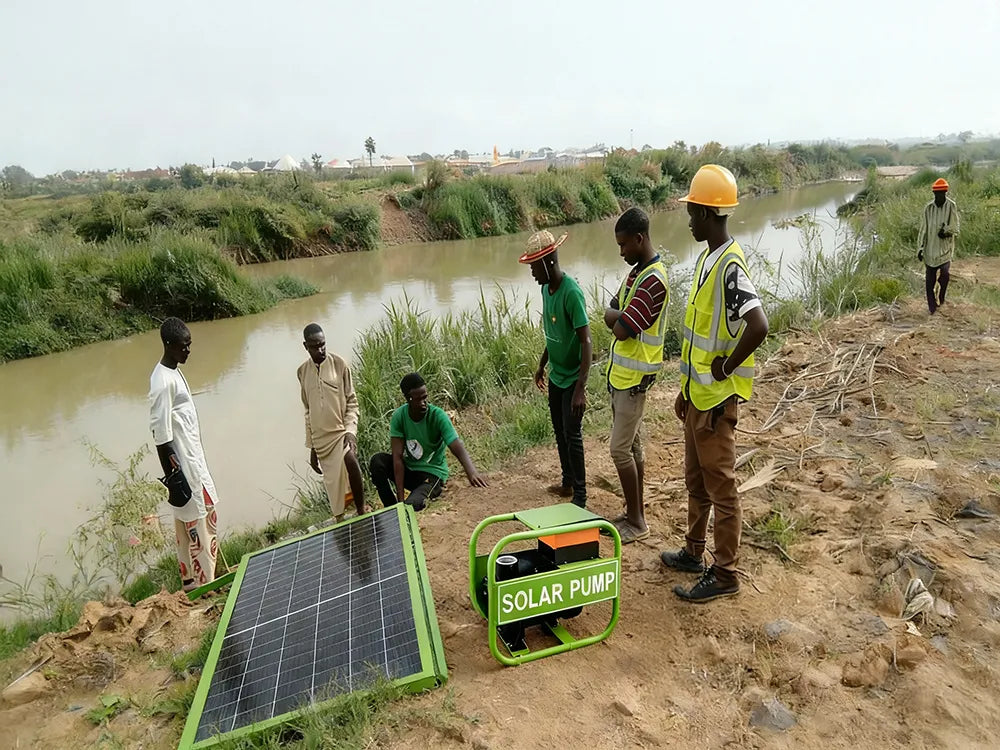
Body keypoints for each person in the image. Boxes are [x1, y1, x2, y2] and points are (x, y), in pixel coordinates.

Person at [660, 165, 769, 603]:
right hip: (698, 398)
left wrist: (727, 368)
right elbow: (701, 336)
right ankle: (693, 552)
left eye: (692, 213)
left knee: (721, 489)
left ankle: (725, 574)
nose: (688, 221)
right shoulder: (708, 259)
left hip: (717, 403)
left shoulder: (730, 266)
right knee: (696, 480)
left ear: (707, 213)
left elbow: (759, 325)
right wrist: (686, 390)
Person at [603, 207, 668, 543]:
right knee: (632, 448)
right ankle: (633, 512)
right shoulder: (636, 274)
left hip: (634, 382)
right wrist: (619, 316)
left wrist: (619, 317)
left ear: (640, 239)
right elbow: (611, 312)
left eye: (623, 245)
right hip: (622, 378)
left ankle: (638, 521)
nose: (621, 252)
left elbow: (621, 328)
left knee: (619, 450)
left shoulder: (653, 282)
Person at [520, 230, 593, 508]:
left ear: (548, 262)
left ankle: (581, 496)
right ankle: (567, 482)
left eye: (534, 266)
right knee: (560, 430)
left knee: (572, 434)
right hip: (557, 375)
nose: (532, 273)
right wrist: (542, 365)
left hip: (573, 377)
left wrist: (580, 389)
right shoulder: (545, 289)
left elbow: (586, 341)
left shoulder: (571, 292)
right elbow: (553, 334)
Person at [149, 317, 221, 592]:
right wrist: (175, 477)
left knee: (192, 523)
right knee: (199, 525)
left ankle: (193, 582)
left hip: (193, 459)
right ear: (168, 345)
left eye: (189, 345)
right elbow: (161, 434)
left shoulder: (174, 372)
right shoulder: (162, 381)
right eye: (183, 346)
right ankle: (206, 586)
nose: (188, 350)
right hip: (184, 467)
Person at [369, 372, 489, 510]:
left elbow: (456, 445)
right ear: (408, 399)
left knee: (412, 505)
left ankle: (411, 502)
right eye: (418, 399)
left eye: (425, 397)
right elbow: (397, 458)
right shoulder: (399, 417)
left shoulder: (437, 415)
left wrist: (472, 472)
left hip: (431, 475)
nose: (423, 403)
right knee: (377, 461)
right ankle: (391, 509)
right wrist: (400, 501)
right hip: (410, 470)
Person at [297, 323, 366, 522]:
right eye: (315, 346)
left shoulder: (339, 364)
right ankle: (341, 520)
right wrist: (312, 447)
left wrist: (350, 431)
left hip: (340, 432)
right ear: (306, 346)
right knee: (334, 491)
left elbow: (352, 401)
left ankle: (362, 511)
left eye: (323, 344)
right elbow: (308, 411)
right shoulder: (302, 372)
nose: (320, 350)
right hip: (321, 441)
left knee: (350, 459)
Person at [918, 177, 960, 314]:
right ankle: (932, 308)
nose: (940, 196)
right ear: (934, 193)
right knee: (929, 282)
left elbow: (955, 228)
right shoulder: (928, 208)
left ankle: (941, 297)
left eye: (942, 193)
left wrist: (946, 232)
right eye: (937, 193)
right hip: (930, 251)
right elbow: (923, 230)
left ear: (945, 193)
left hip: (945, 251)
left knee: (945, 275)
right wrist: (920, 248)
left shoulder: (951, 206)